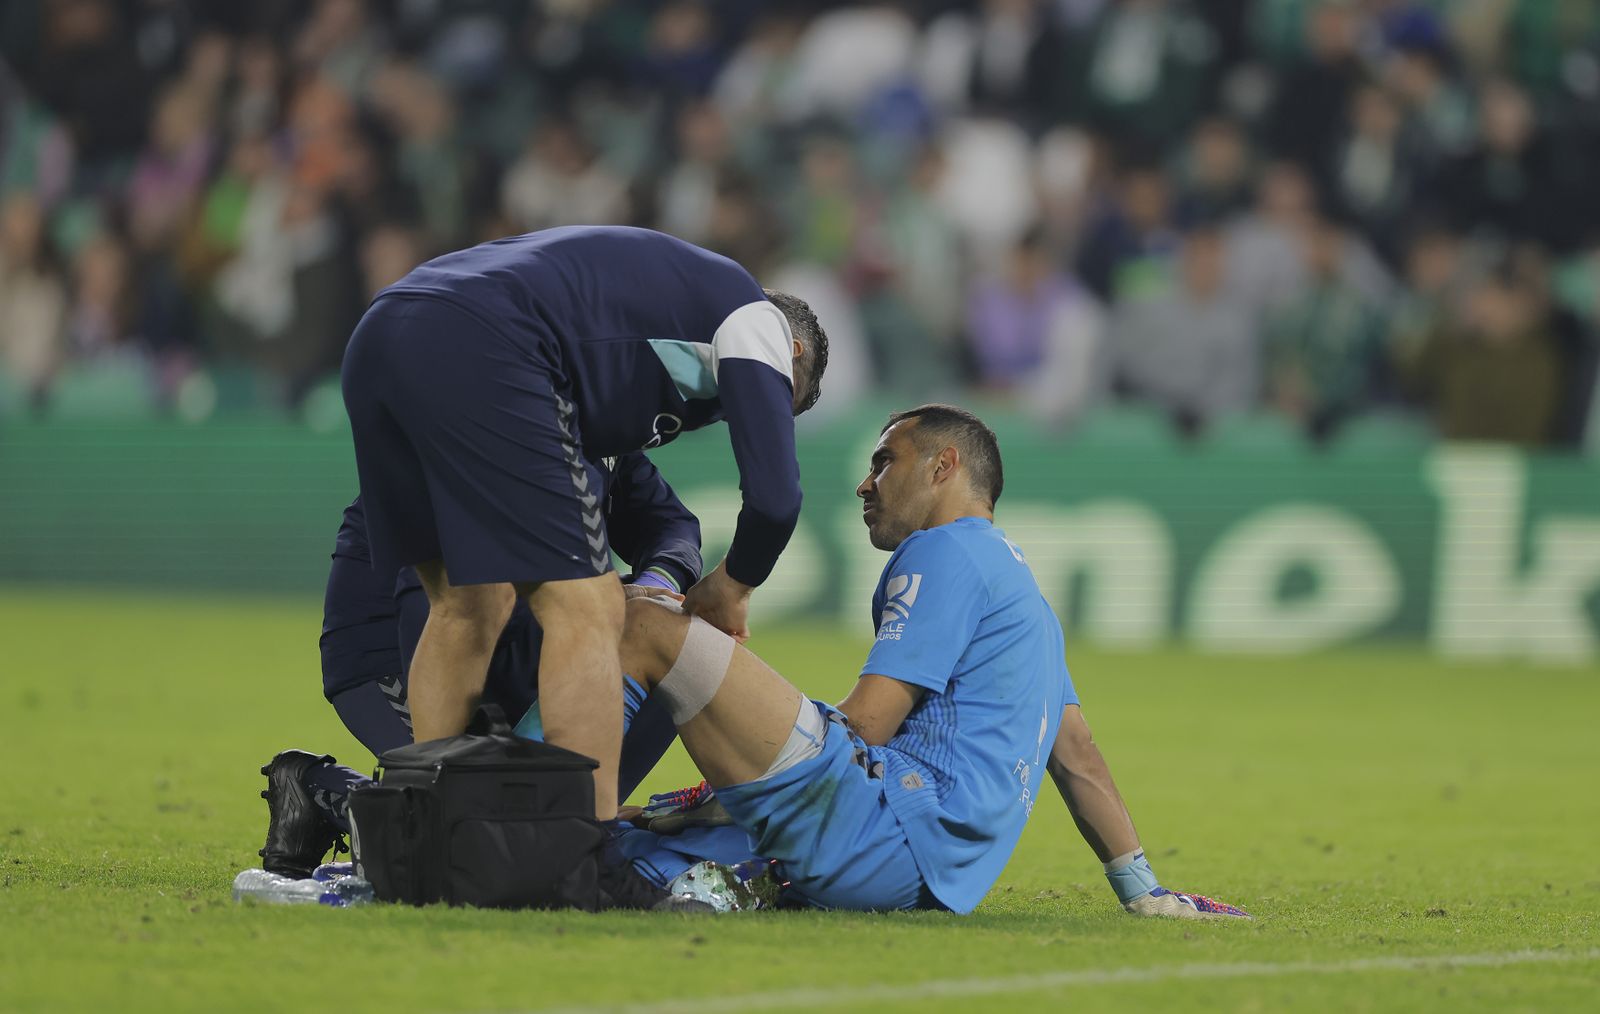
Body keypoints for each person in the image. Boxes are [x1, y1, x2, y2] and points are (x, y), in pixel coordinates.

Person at [615, 405, 1247, 917]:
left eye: (885, 462)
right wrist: (1144, 890)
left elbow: (865, 727)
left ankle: (550, 794)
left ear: (945, 466)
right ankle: (711, 874)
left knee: (649, 621)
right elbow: (1076, 754)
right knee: (632, 840)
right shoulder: (1026, 599)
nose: (866, 484)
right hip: (925, 882)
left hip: (882, 831)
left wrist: (719, 787)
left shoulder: (945, 551)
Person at [337, 227, 829, 856]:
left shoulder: (652, 328)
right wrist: (734, 583)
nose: (753, 411)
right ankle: (583, 856)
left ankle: (429, 833)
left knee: (467, 606)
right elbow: (775, 500)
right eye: (783, 394)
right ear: (787, 350)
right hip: (485, 340)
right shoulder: (751, 316)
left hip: (384, 328)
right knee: (591, 609)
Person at [257, 451, 701, 882]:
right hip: (396, 641)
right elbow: (446, 603)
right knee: (467, 847)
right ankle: (318, 788)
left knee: (669, 642)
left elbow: (669, 524)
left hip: (528, 644)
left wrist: (655, 585)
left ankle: (573, 819)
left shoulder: (605, 424)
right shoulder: (495, 408)